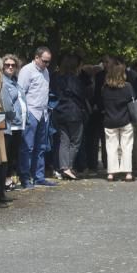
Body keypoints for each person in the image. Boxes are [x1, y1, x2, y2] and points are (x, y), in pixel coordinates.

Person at [18, 46, 56, 188]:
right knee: (27, 147)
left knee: (41, 147)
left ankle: (39, 176)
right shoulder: (27, 71)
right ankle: (25, 178)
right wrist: (24, 113)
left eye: (48, 62)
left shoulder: (45, 71)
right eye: (44, 61)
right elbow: (21, 92)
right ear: (36, 58)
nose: (47, 64)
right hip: (31, 112)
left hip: (43, 113)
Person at [51, 53, 90, 181]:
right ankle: (68, 167)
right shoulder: (74, 79)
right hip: (74, 113)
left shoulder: (56, 78)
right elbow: (82, 95)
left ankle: (63, 167)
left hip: (60, 112)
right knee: (75, 142)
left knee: (64, 141)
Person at [100, 61, 135, 182]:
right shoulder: (128, 87)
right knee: (127, 146)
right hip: (125, 120)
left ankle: (111, 173)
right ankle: (128, 173)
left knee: (111, 147)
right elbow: (132, 102)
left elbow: (102, 104)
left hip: (109, 120)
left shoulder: (105, 88)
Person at [0, 54, 25, 192]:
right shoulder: (3, 81)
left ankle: (10, 177)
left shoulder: (15, 81)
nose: (10, 67)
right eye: (7, 65)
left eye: (13, 65)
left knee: (13, 154)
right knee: (7, 154)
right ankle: (5, 179)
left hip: (18, 124)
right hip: (9, 123)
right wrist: (13, 116)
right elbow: (7, 104)